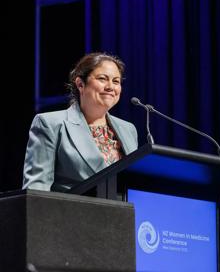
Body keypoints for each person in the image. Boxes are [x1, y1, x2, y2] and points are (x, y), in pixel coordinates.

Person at [22, 52, 138, 192]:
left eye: (116, 81)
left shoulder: (128, 129)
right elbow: (37, 189)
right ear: (80, 84)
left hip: (121, 213)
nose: (110, 87)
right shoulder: (50, 124)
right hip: (70, 212)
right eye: (102, 79)